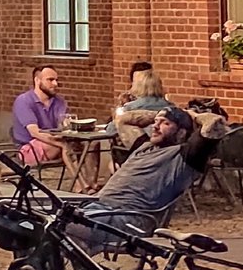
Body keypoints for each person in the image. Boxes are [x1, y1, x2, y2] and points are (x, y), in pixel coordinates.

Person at [72, 106, 223, 249]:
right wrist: (161, 114)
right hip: (97, 209)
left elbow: (214, 122)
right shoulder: (144, 146)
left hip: (127, 219)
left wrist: (192, 116)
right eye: (155, 122)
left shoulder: (185, 156)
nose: (155, 126)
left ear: (182, 133)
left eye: (165, 123)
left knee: (60, 227)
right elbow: (123, 120)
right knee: (51, 220)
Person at [11, 66, 68, 166]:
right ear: (37, 80)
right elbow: (35, 132)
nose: (55, 84)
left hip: (53, 141)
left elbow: (64, 127)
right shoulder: (24, 101)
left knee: (91, 144)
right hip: (28, 147)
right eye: (50, 80)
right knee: (66, 146)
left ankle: (89, 181)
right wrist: (60, 142)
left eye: (56, 80)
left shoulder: (59, 102)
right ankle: (78, 180)